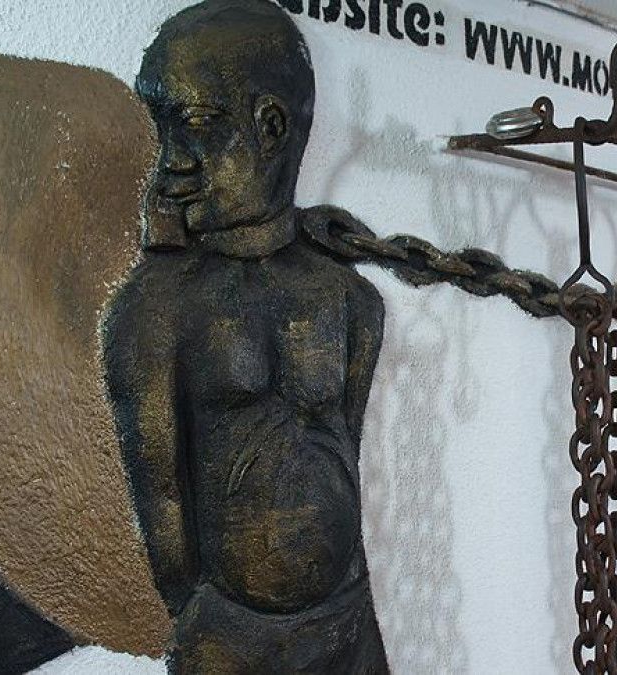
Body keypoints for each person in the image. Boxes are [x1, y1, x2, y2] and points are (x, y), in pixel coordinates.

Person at [101, 1, 388, 671]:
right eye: (162, 129)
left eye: (196, 124)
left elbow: (344, 456)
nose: (171, 160)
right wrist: (207, 614)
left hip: (345, 616)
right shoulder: (157, 309)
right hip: (230, 633)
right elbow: (161, 499)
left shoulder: (351, 301)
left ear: (270, 127)